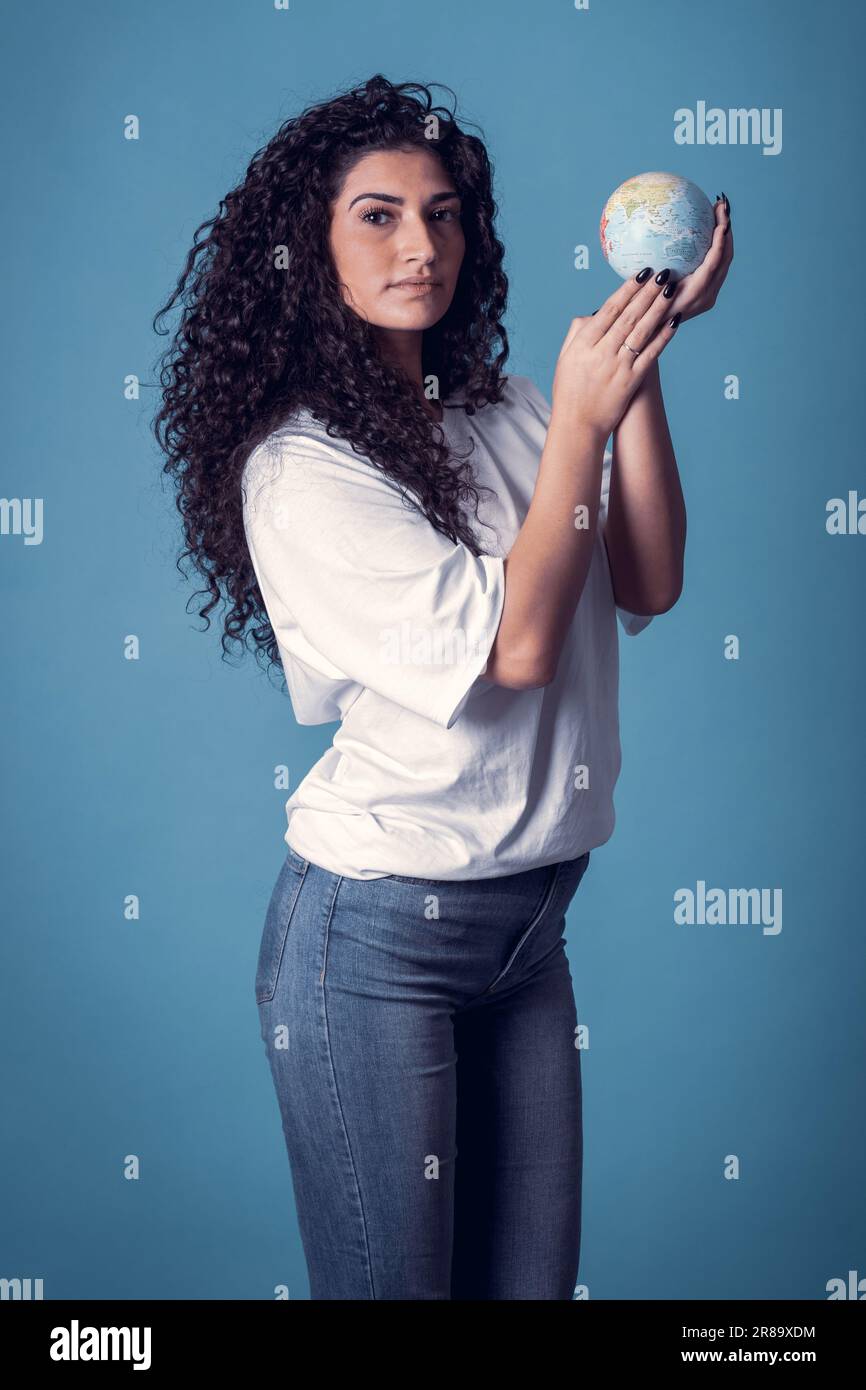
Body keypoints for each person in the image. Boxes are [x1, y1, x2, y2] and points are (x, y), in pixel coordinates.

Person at [152, 74, 733, 1300]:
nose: (421, 244)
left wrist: (634, 369)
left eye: (445, 212)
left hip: (526, 935)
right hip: (371, 943)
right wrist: (583, 417)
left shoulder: (513, 410)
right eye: (376, 215)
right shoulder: (297, 465)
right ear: (307, 246)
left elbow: (651, 573)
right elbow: (514, 650)